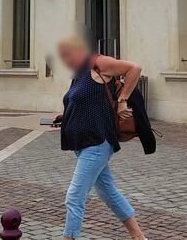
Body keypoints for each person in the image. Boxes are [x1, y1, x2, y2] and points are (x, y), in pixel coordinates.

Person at [55, 36, 147, 240]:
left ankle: (69, 237)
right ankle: (138, 237)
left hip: (97, 142)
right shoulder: (79, 74)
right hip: (83, 143)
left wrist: (123, 100)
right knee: (109, 193)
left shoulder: (98, 63)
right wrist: (65, 117)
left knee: (74, 196)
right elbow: (83, 102)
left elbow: (135, 68)